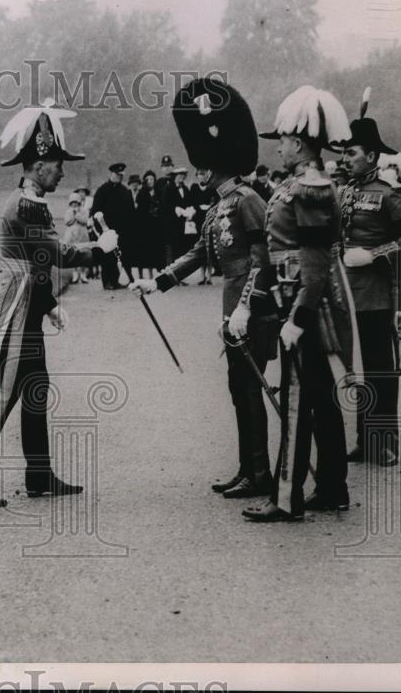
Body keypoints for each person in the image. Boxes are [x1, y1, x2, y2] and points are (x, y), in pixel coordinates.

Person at [0, 101, 118, 507]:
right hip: (16, 304)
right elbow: (56, 253)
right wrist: (100, 248)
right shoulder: (26, 204)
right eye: (57, 162)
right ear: (39, 163)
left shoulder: (33, 200)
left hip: (27, 299)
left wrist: (47, 305)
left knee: (35, 387)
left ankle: (38, 473)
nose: (62, 170)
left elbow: (38, 261)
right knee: (7, 391)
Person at [132, 78, 277, 499]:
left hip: (251, 309)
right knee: (238, 389)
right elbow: (197, 253)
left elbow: (261, 257)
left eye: (202, 164)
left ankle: (261, 473)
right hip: (232, 311)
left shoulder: (247, 198)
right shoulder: (219, 206)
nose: (197, 170)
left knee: (249, 390)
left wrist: (246, 306)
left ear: (217, 163)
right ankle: (247, 467)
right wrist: (156, 281)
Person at [243, 85, 357, 522]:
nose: (280, 149)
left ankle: (287, 496)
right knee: (320, 398)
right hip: (294, 302)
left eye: (284, 142)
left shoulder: (310, 189)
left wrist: (298, 318)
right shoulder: (300, 185)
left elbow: (314, 267)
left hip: (301, 308)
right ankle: (332, 486)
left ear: (300, 144)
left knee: (295, 401)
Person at [336, 103, 401, 467]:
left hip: (378, 296)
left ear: (370, 155)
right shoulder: (343, 192)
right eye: (343, 153)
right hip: (348, 295)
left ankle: (385, 443)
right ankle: (364, 439)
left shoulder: (390, 193)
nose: (345, 159)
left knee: (381, 370)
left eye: (350, 153)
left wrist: (373, 255)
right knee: (358, 370)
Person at [91, 162, 134, 289]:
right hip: (107, 230)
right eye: (117, 174)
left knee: (119, 256)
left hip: (121, 231)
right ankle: (107, 282)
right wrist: (102, 230)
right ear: (112, 174)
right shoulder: (102, 190)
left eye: (121, 175)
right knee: (107, 256)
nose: (119, 177)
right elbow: (96, 211)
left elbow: (130, 211)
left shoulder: (125, 191)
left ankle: (115, 280)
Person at [131, 170, 165, 280]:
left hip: (157, 226)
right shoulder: (142, 193)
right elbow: (139, 211)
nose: (150, 181)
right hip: (145, 227)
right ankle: (143, 275)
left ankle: (155, 274)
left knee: (156, 250)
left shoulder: (159, 192)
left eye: (152, 179)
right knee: (144, 250)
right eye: (148, 179)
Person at [189, 168, 218, 284]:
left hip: (209, 218)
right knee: (200, 246)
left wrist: (209, 207)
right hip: (198, 219)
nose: (201, 176)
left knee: (209, 246)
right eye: (200, 174)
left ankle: (209, 275)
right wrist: (198, 207)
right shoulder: (194, 188)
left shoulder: (211, 188)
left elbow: (215, 201)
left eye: (203, 174)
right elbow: (192, 202)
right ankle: (202, 275)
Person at [167, 166, 197, 270]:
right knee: (173, 249)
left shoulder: (185, 189)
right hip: (173, 223)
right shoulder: (168, 189)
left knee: (181, 248)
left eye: (183, 176)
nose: (182, 178)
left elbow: (190, 202)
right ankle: (171, 272)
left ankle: (179, 273)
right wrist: (176, 209)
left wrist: (190, 211)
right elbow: (165, 205)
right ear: (175, 176)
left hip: (183, 224)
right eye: (180, 175)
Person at [63, 190, 91, 283]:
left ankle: (83, 274)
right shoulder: (68, 211)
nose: (74, 205)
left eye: (76, 203)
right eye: (72, 203)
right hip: (72, 234)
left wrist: (78, 215)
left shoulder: (84, 211)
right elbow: (67, 222)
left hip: (82, 233)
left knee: (83, 252)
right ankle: (75, 274)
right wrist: (73, 215)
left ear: (79, 203)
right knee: (73, 253)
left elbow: (85, 221)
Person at [157, 155, 176, 265]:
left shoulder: (176, 180)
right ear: (161, 168)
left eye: (169, 166)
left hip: (176, 218)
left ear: (172, 167)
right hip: (163, 219)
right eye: (164, 166)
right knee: (166, 246)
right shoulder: (159, 182)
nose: (167, 168)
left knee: (176, 246)